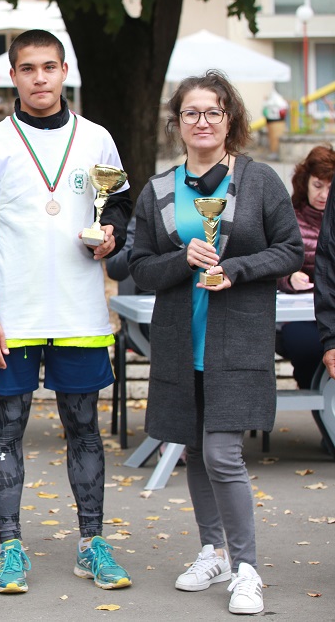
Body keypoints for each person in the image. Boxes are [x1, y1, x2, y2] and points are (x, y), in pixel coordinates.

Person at [0, 29, 133, 595]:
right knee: (7, 429)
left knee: (85, 430)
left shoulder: (98, 139)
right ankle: (10, 548)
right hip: (13, 316)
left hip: (79, 312)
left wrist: (111, 235)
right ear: (13, 76)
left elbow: (119, 208)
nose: (39, 78)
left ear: (64, 72)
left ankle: (92, 544)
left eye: (49, 67)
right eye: (28, 68)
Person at [130, 70, 302, 615]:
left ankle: (247, 569)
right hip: (181, 342)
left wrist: (237, 269)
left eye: (213, 112)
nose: (201, 122)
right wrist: (181, 259)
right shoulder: (159, 189)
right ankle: (214, 552)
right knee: (195, 449)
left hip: (239, 340)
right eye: (191, 113)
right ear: (177, 122)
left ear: (230, 120)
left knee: (223, 453)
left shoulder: (259, 180)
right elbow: (138, 266)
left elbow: (290, 250)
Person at [277, 144, 332, 389]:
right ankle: (315, 394)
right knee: (306, 345)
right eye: (317, 185)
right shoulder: (288, 220)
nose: (324, 195)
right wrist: (289, 279)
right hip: (300, 317)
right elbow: (271, 266)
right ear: (304, 183)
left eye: (331, 188)